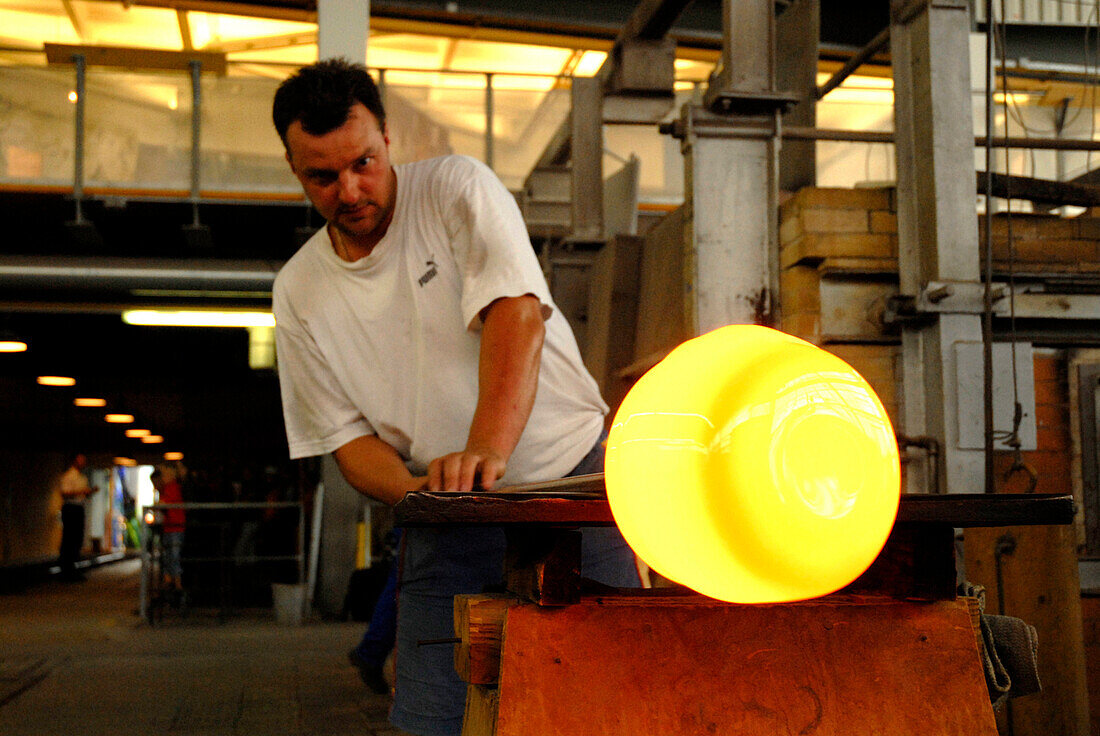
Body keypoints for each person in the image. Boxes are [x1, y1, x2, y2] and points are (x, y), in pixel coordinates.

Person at [271, 58, 640, 736]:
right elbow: (348, 441)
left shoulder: (455, 188)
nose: (350, 189)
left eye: (364, 162)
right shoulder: (299, 290)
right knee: (432, 719)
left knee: (610, 708)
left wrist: (485, 450)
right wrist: (423, 492)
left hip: (575, 490)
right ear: (296, 171)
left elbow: (516, 315)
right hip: (446, 518)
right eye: (322, 176)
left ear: (387, 136)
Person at [57, 453, 94, 581]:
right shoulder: (68, 476)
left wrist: (87, 493)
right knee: (69, 538)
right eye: (81, 461)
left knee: (77, 539)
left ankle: (73, 568)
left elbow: (82, 495)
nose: (83, 463)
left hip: (79, 507)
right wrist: (81, 492)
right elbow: (65, 493)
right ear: (74, 461)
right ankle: (65, 569)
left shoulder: (82, 477)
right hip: (70, 508)